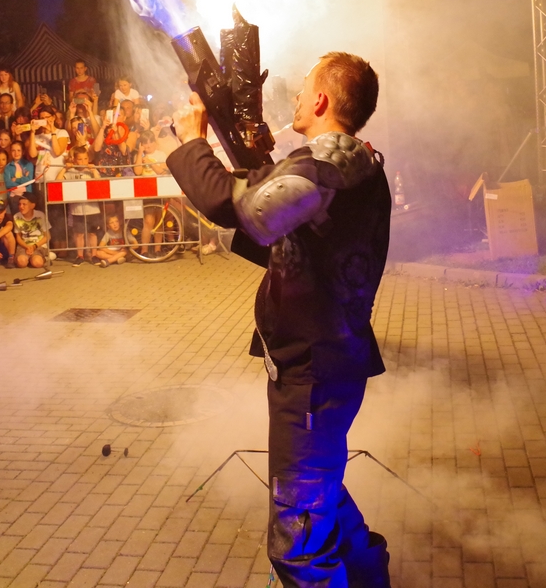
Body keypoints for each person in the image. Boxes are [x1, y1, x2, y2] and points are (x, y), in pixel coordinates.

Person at [166, 52, 392, 588]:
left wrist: (192, 142)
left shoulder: (326, 166)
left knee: (299, 544)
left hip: (314, 372)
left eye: (304, 87)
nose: (295, 95)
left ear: (322, 99)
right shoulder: (348, 161)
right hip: (327, 363)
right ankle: (370, 576)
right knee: (320, 491)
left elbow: (240, 207)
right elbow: (282, 227)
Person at [11, 194, 52, 269]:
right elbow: (18, 237)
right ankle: (29, 258)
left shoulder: (40, 215)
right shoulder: (16, 217)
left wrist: (34, 246)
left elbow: (47, 236)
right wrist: (26, 247)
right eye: (19, 204)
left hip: (38, 245)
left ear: (32, 205)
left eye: (24, 204)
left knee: (37, 263)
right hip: (24, 245)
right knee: (21, 263)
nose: (21, 207)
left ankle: (44, 258)